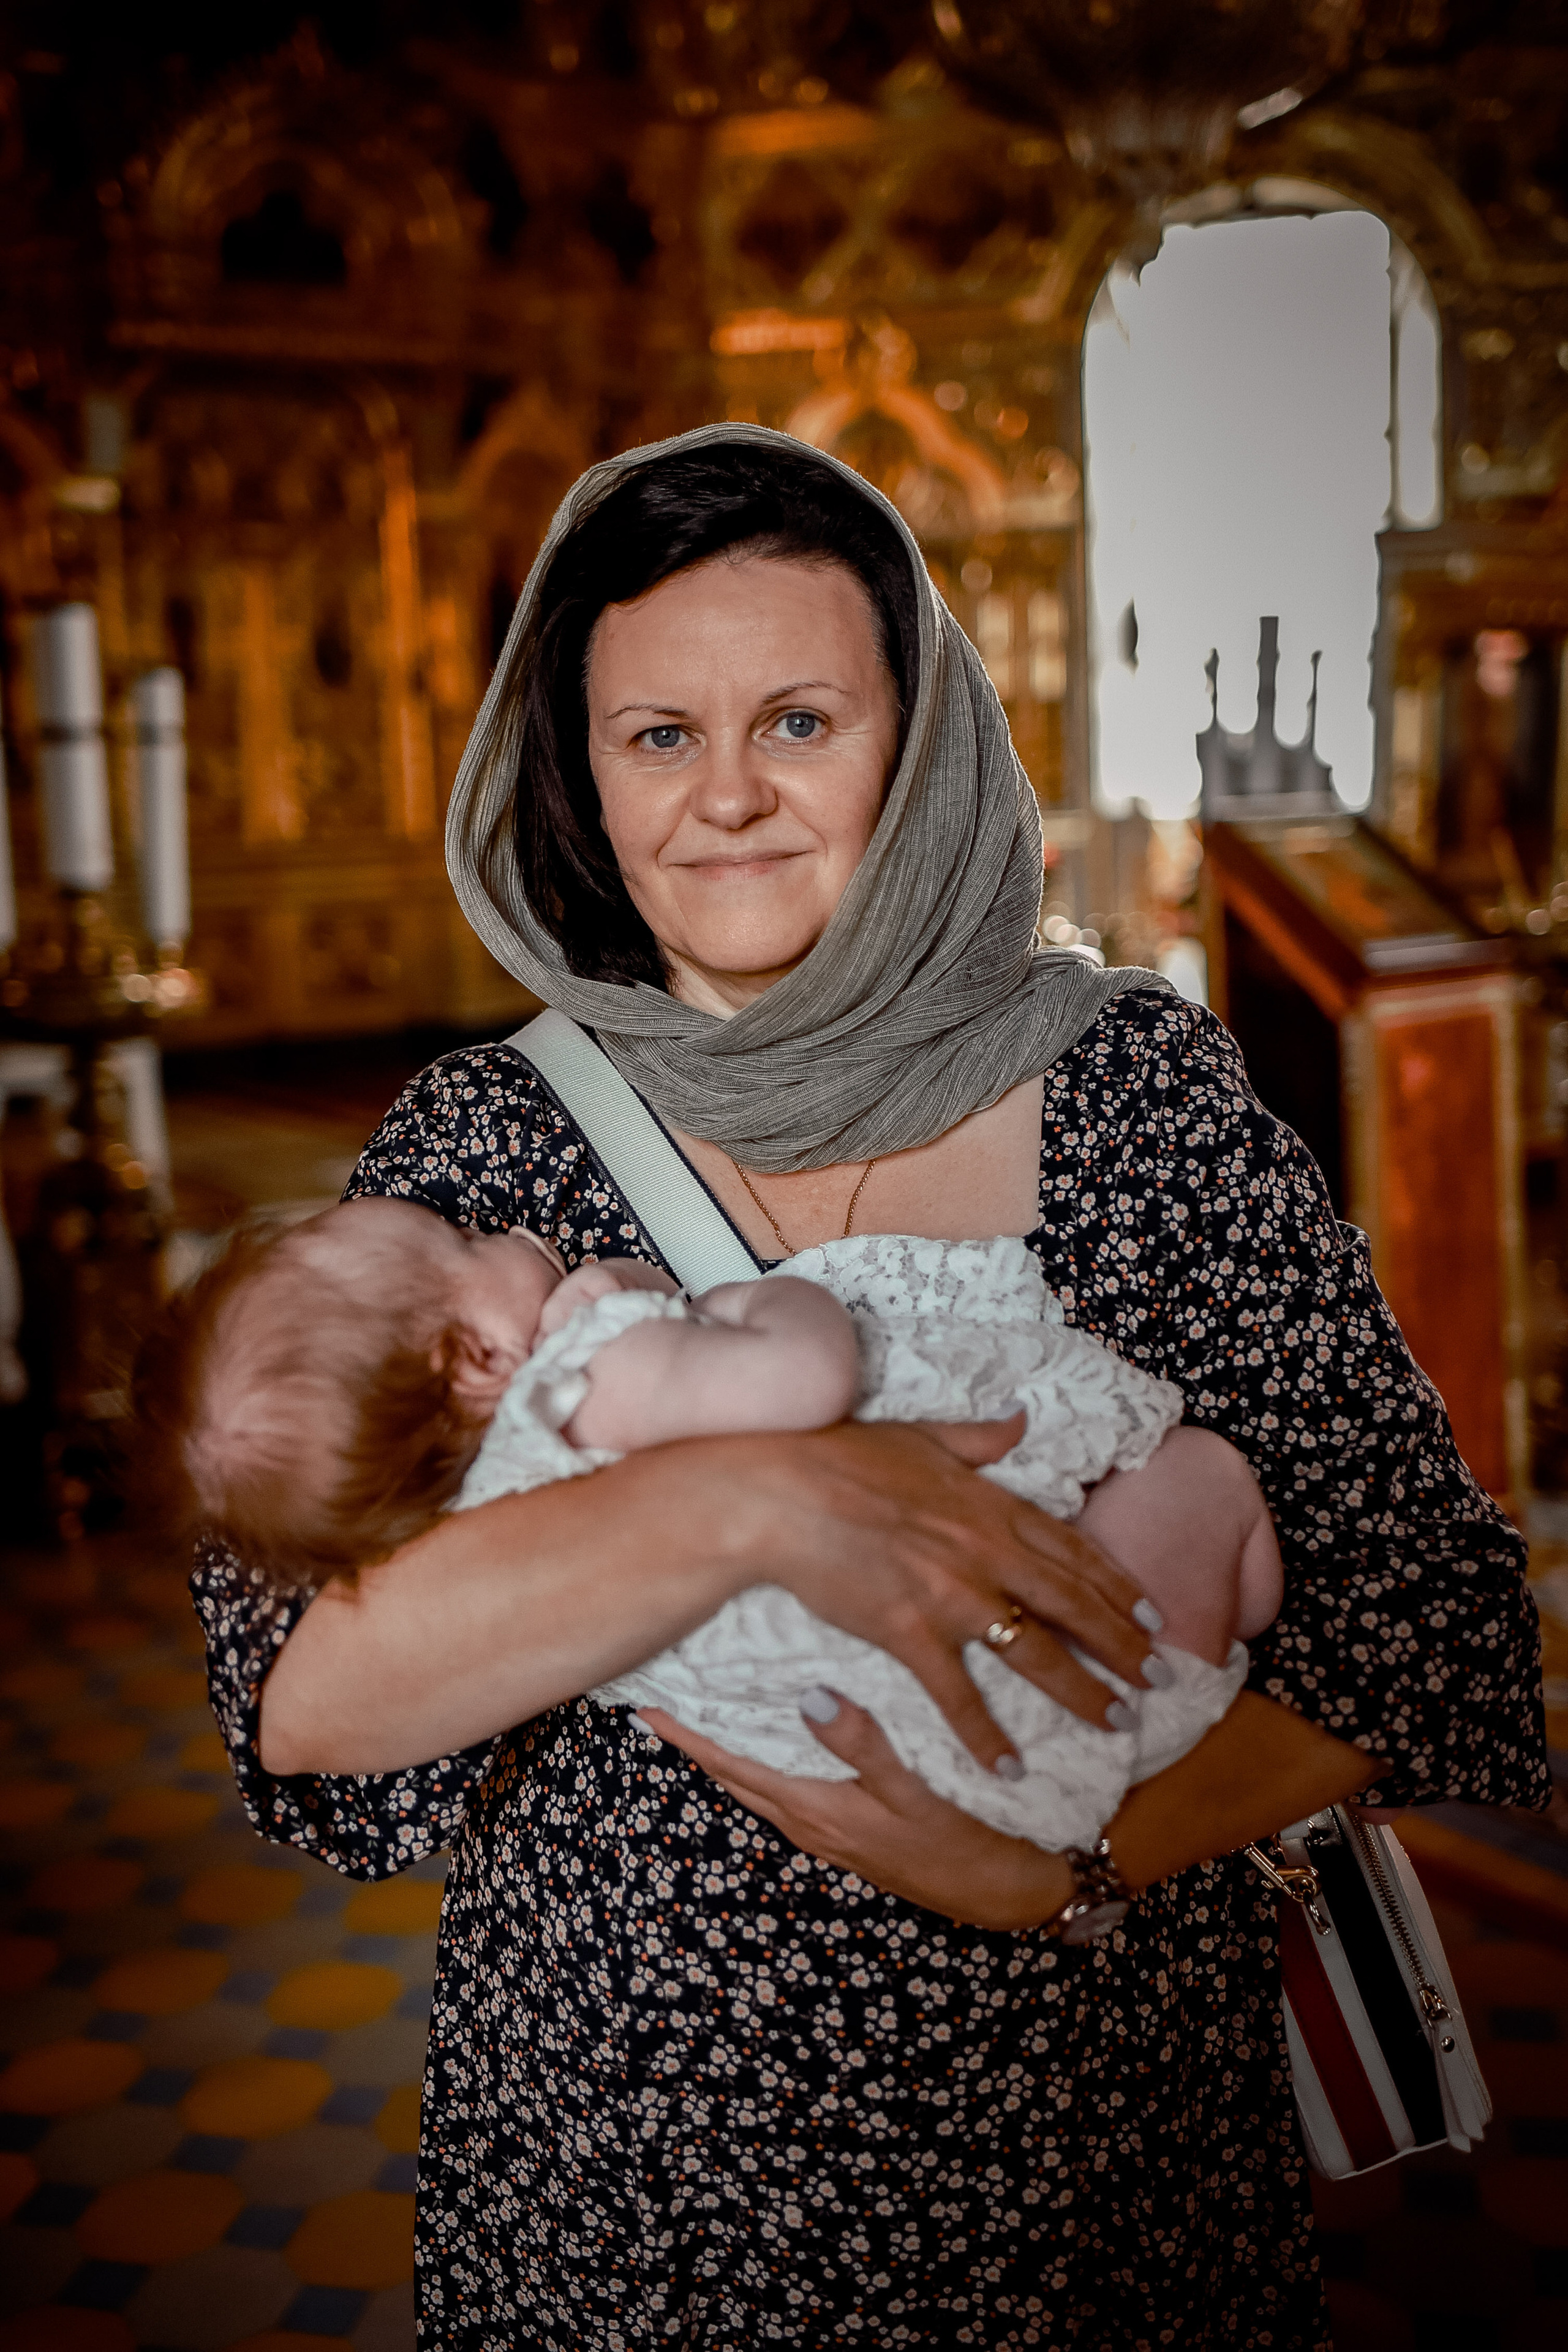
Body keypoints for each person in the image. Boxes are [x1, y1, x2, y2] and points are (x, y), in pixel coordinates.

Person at [191, 425, 1546, 2351]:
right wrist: (746, 1502)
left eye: (801, 722)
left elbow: (1425, 1615)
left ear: (918, 743)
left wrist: (1055, 1868)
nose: (728, 795)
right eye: (659, 735)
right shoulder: (483, 1150)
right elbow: (301, 1699)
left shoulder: (1134, 1092)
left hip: (1095, 2169)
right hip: (631, 2196)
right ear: (579, 778)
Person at [149, 1194, 1282, 1850]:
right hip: (1031, 1683)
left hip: (907, 1758)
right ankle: (1179, 1669)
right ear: (480, 1358)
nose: (502, 1232)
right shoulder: (589, 1369)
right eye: (468, 1243)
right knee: (1199, 1477)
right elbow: (801, 1383)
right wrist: (764, 1303)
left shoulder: (473, 1501)